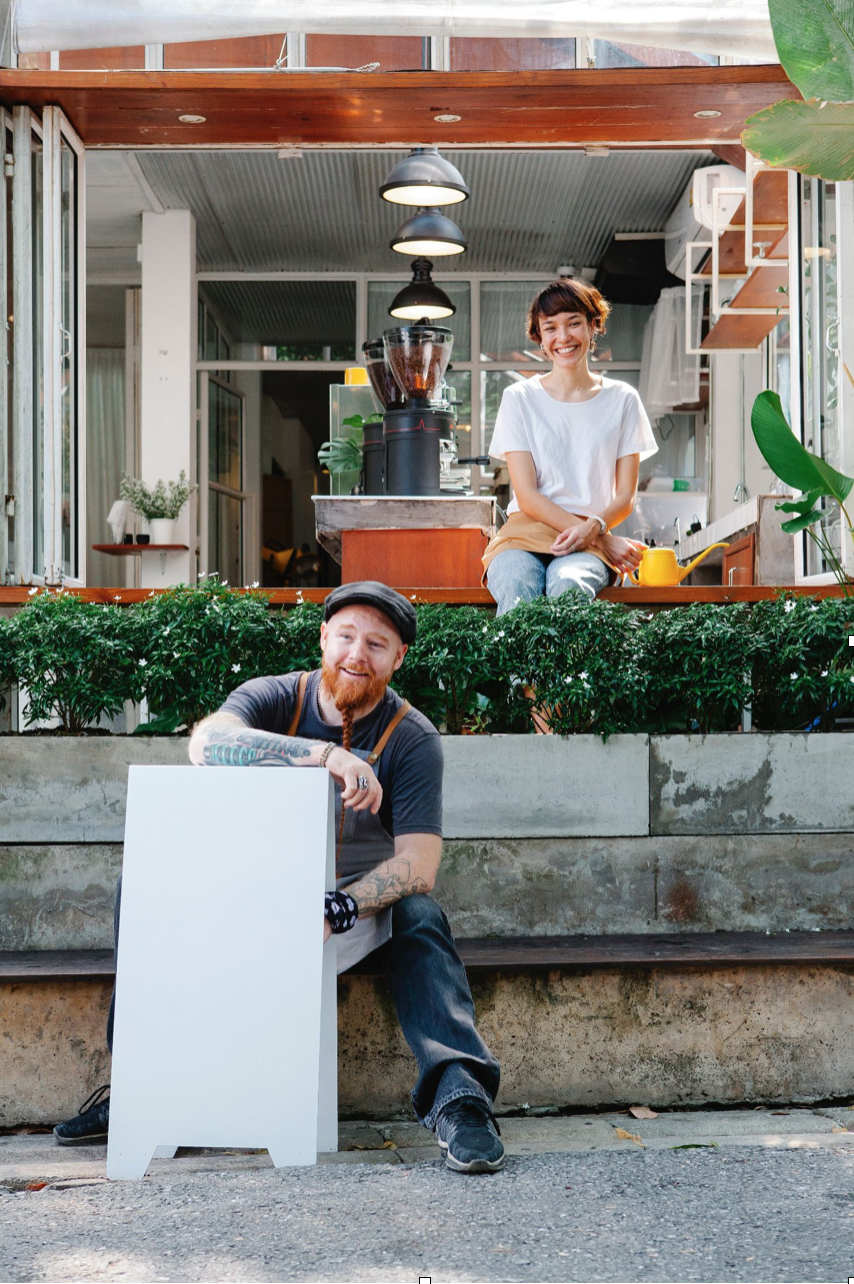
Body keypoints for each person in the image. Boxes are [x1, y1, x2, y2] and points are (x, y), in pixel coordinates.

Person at [54, 581, 504, 1175]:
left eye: (376, 644)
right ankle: (138, 1086)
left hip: (348, 915)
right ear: (323, 638)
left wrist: (335, 909)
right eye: (345, 636)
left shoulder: (411, 737)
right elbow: (206, 744)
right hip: (253, 900)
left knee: (420, 915)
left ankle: (460, 1100)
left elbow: (419, 865)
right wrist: (328, 757)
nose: (357, 654)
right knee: (140, 886)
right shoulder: (275, 696)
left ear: (398, 658)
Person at [483, 278, 657, 614]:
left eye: (573, 323)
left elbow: (625, 497)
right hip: (524, 536)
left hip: (588, 543)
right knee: (517, 587)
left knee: (568, 586)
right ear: (540, 337)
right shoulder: (519, 398)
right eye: (550, 328)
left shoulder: (623, 400)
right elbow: (527, 496)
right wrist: (602, 537)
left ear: (593, 325)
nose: (563, 337)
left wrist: (592, 531)